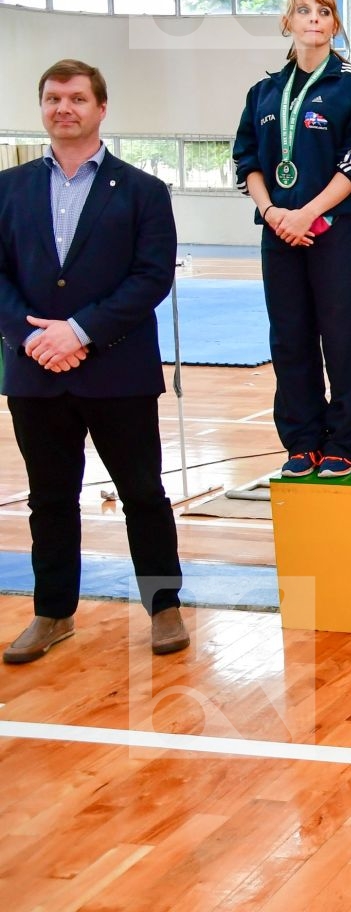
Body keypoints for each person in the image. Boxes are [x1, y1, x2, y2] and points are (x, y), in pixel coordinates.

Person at [1, 60, 186, 663]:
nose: (64, 108)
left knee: (142, 494)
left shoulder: (142, 191)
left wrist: (80, 332)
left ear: (101, 108)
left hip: (118, 371)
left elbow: (151, 277)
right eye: (53, 98)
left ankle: (164, 608)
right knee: (49, 500)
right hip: (36, 372)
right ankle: (53, 613)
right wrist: (32, 340)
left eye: (77, 98)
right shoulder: (9, 187)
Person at [232, 0, 351, 480]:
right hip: (278, 232)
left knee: (343, 338)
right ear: (288, 22)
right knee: (290, 339)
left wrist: (308, 214)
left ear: (336, 24)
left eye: (324, 12)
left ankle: (343, 442)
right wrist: (275, 213)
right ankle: (301, 441)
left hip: (334, 230)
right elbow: (247, 161)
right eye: (303, 11)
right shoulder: (263, 92)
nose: (314, 19)